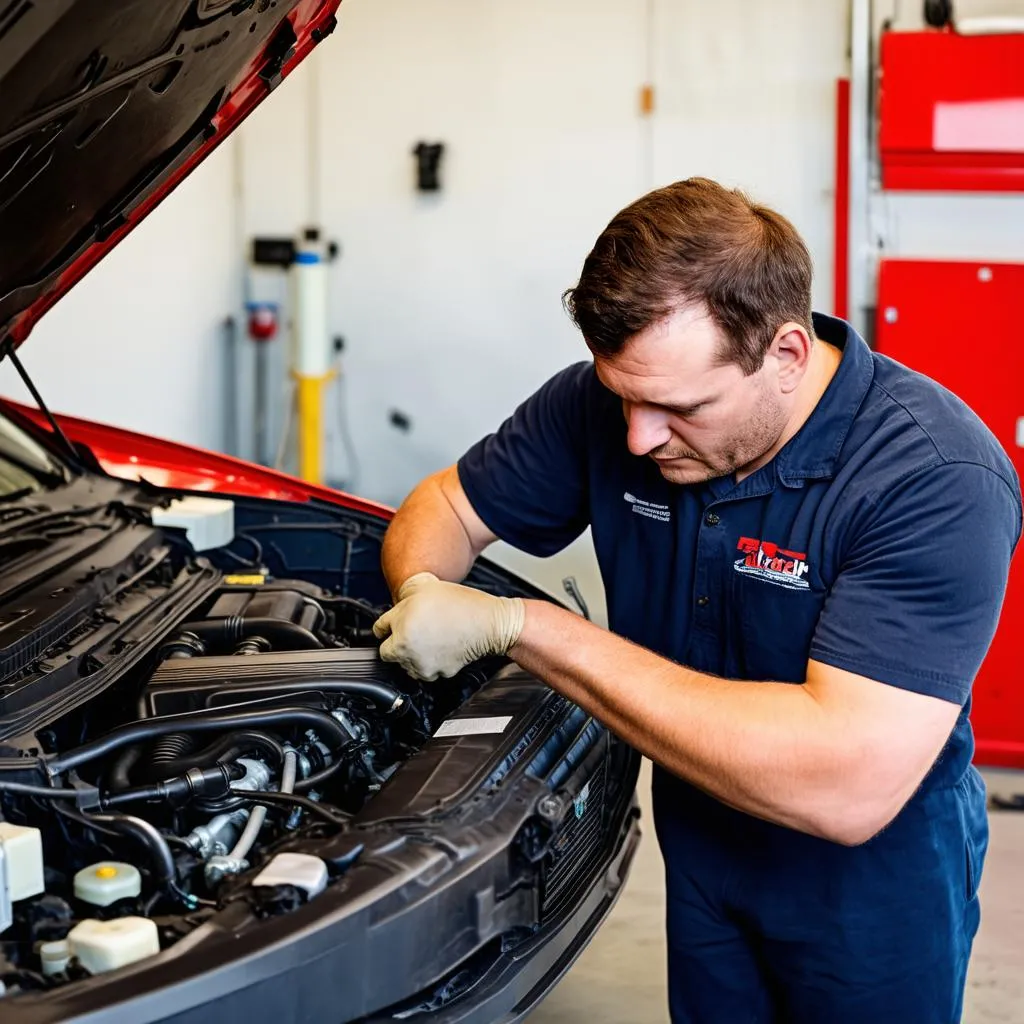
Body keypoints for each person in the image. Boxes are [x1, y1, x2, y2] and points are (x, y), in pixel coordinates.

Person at [372, 177, 1021, 1023]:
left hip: (870, 886)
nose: (639, 436)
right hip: (703, 843)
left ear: (785, 355)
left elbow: (846, 788)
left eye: (679, 407)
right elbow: (444, 508)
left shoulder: (932, 477)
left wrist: (522, 626)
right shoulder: (602, 408)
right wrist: (424, 595)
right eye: (624, 396)